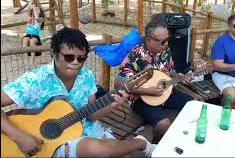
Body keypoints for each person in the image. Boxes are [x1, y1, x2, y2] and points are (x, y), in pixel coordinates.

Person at [1, 27, 155, 157]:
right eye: (69, 57)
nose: (75, 63)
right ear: (54, 54)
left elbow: (91, 114)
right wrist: (20, 137)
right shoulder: (35, 80)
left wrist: (112, 104)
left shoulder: (86, 76)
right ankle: (141, 143)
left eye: (81, 58)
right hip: (46, 142)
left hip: (84, 129)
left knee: (114, 151)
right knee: (102, 149)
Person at [115, 21, 193, 144]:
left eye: (168, 39)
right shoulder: (135, 55)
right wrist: (147, 91)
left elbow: (171, 72)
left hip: (165, 91)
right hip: (141, 99)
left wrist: (181, 77)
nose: (167, 44)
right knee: (163, 125)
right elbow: (119, 84)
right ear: (148, 39)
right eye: (162, 41)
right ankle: (155, 147)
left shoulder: (165, 51)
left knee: (194, 104)